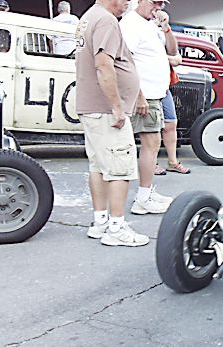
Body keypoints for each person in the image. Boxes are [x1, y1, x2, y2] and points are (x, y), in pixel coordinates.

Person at [75, 0, 149, 247]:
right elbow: (104, 65)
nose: (128, 3)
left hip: (92, 107)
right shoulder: (106, 21)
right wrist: (116, 107)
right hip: (106, 110)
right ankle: (116, 227)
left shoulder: (89, 17)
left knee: (98, 166)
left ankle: (101, 221)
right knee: (119, 168)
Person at [120, 0, 174, 215]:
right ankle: (143, 197)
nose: (158, 7)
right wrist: (139, 95)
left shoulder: (149, 24)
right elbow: (125, 61)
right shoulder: (131, 24)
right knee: (150, 144)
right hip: (146, 95)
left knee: (152, 143)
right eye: (155, 2)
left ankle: (146, 192)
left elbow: (173, 51)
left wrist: (166, 28)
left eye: (161, 4)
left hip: (154, 94)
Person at [154, 11, 190, 175]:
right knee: (151, 127)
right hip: (149, 85)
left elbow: (176, 58)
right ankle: (152, 162)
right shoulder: (140, 28)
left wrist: (166, 28)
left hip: (164, 85)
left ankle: (172, 161)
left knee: (170, 123)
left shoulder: (161, 32)